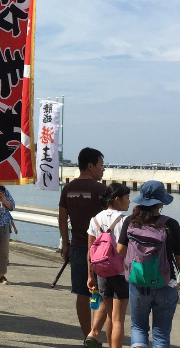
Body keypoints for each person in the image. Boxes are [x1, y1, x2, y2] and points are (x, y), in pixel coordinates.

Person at [117, 181, 180, 348]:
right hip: (166, 283)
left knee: (138, 328)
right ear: (161, 202)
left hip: (137, 283)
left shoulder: (130, 222)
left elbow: (120, 250)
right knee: (161, 333)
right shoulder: (170, 224)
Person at [58, 147, 108, 344]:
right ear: (90, 166)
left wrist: (65, 244)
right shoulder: (102, 190)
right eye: (101, 165)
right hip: (101, 250)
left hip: (77, 248)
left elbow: (62, 219)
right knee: (104, 292)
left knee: (81, 293)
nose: (103, 170)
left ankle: (87, 335)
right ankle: (94, 333)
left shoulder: (68, 189)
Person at [85, 182, 130, 348]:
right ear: (117, 199)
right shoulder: (125, 220)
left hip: (102, 273)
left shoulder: (95, 219)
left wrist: (90, 276)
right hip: (120, 273)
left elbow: (90, 251)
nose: (129, 201)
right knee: (118, 319)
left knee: (111, 316)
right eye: (127, 198)